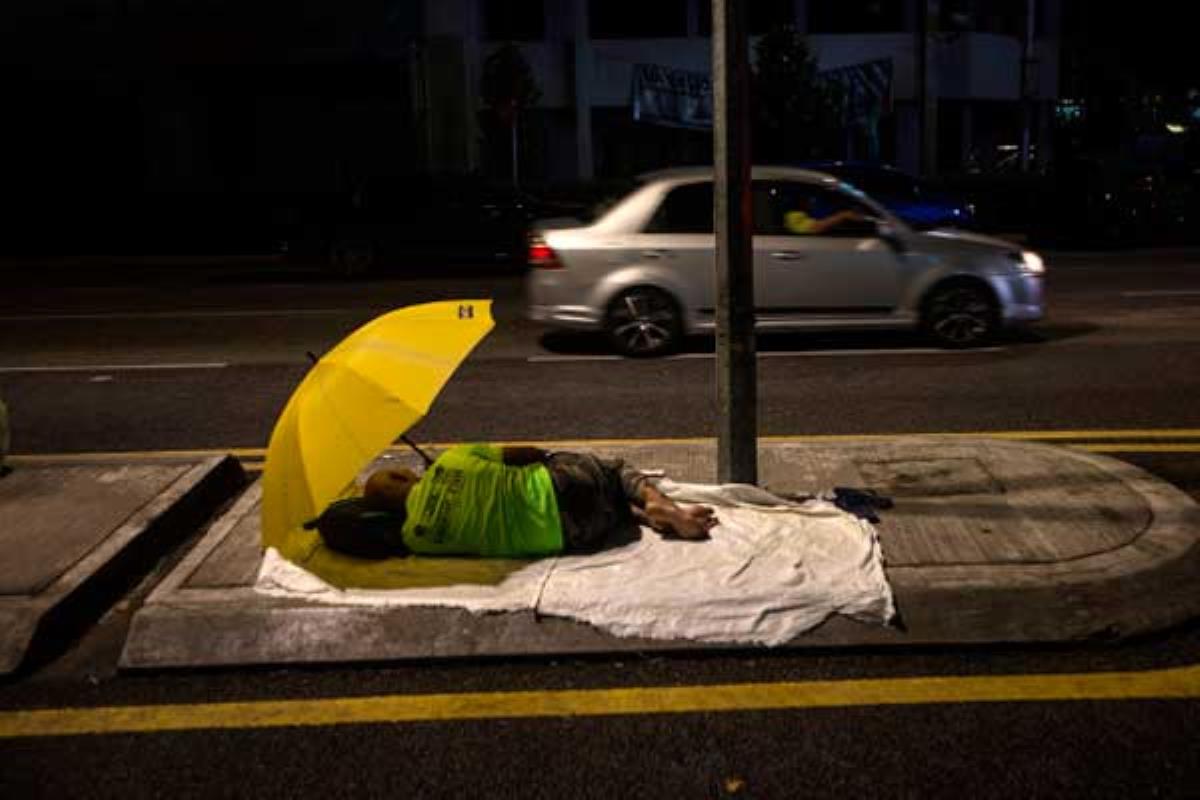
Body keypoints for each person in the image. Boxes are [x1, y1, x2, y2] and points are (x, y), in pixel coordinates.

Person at [345, 444, 718, 559]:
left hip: (575, 535)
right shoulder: (453, 459)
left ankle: (636, 515)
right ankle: (655, 501)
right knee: (611, 471)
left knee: (605, 504)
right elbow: (531, 453)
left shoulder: (416, 539)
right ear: (400, 478)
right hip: (563, 486)